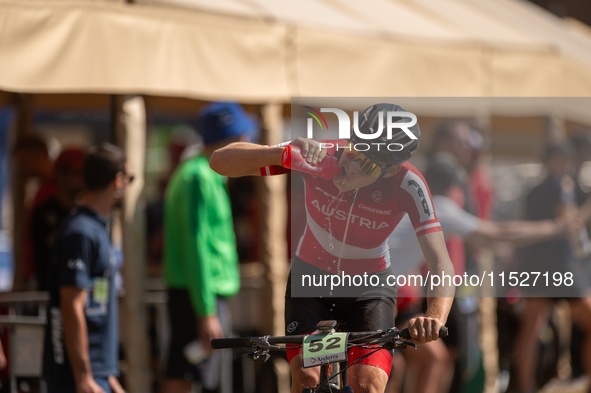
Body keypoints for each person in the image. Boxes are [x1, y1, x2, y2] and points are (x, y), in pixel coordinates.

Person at [210, 103, 456, 393]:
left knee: (367, 385)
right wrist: (282, 152)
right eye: (352, 148)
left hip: (368, 288)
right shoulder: (321, 156)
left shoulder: (408, 184)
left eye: (364, 162)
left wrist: (434, 317)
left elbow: (441, 263)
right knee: (307, 380)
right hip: (311, 281)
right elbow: (219, 162)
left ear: (389, 170)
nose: (348, 163)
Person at [161, 102, 256, 393]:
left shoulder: (204, 174)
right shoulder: (199, 178)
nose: (251, 145)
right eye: (246, 138)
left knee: (191, 371)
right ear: (234, 139)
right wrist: (206, 311)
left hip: (200, 294)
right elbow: (196, 247)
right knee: (187, 374)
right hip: (198, 295)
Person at [42, 144, 130, 393]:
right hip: (75, 375)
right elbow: (72, 305)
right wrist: (83, 376)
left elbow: (96, 303)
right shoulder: (80, 231)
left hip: (96, 372)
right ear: (118, 181)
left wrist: (108, 373)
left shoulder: (96, 228)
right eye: (129, 179)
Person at [516, 144, 591, 393]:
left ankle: (526, 385)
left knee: (531, 330)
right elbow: (569, 222)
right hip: (559, 268)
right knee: (535, 328)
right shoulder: (560, 187)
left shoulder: (534, 190)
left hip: (539, 267)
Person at [30, 148, 85, 291]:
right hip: (51, 294)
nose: (82, 180)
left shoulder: (84, 213)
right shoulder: (43, 211)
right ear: (60, 175)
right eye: (77, 173)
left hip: (78, 293)